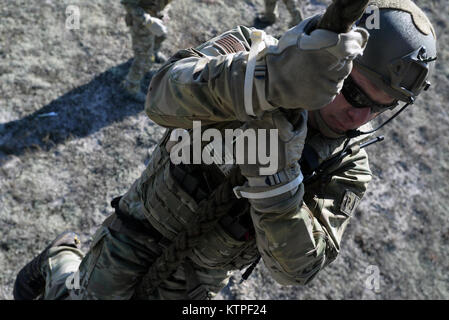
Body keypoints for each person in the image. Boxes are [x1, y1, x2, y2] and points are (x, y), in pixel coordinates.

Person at [14, 0, 437, 300]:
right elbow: (161, 96)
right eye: (355, 93)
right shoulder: (255, 53)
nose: (360, 116)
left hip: (203, 283)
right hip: (135, 236)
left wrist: (277, 182)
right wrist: (266, 82)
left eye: (383, 107)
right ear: (335, 62)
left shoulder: (345, 166)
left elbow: (298, 270)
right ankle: (62, 263)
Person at [120, 0, 172, 100]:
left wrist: (164, 12)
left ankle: (154, 52)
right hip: (140, 22)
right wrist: (148, 21)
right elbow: (127, 3)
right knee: (144, 57)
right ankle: (131, 87)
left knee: (161, 36)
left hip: (157, 15)